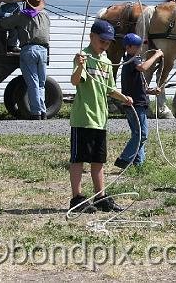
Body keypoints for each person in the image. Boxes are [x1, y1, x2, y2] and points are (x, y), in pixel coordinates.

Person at [68, 20, 134, 213]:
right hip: (84, 117)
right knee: (78, 159)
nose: (104, 45)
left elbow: (109, 89)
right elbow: (75, 81)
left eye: (108, 42)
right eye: (101, 40)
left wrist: (124, 98)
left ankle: (100, 197)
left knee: (99, 161)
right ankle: (77, 199)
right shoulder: (83, 57)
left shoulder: (106, 62)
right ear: (91, 37)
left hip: (100, 119)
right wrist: (80, 65)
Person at [114, 33, 164, 169]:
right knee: (142, 134)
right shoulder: (132, 60)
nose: (140, 48)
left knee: (137, 134)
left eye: (140, 45)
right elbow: (143, 67)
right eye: (137, 46)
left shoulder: (133, 61)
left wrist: (151, 91)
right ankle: (124, 159)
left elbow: (139, 86)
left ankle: (139, 163)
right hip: (135, 104)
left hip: (136, 103)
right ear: (128, 47)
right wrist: (156, 55)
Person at [0, 0, 50, 120]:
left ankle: (36, 112)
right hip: (43, 51)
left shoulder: (22, 15)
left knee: (33, 82)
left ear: (27, 4)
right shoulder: (45, 15)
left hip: (29, 50)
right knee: (41, 83)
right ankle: (43, 111)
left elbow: (4, 24)